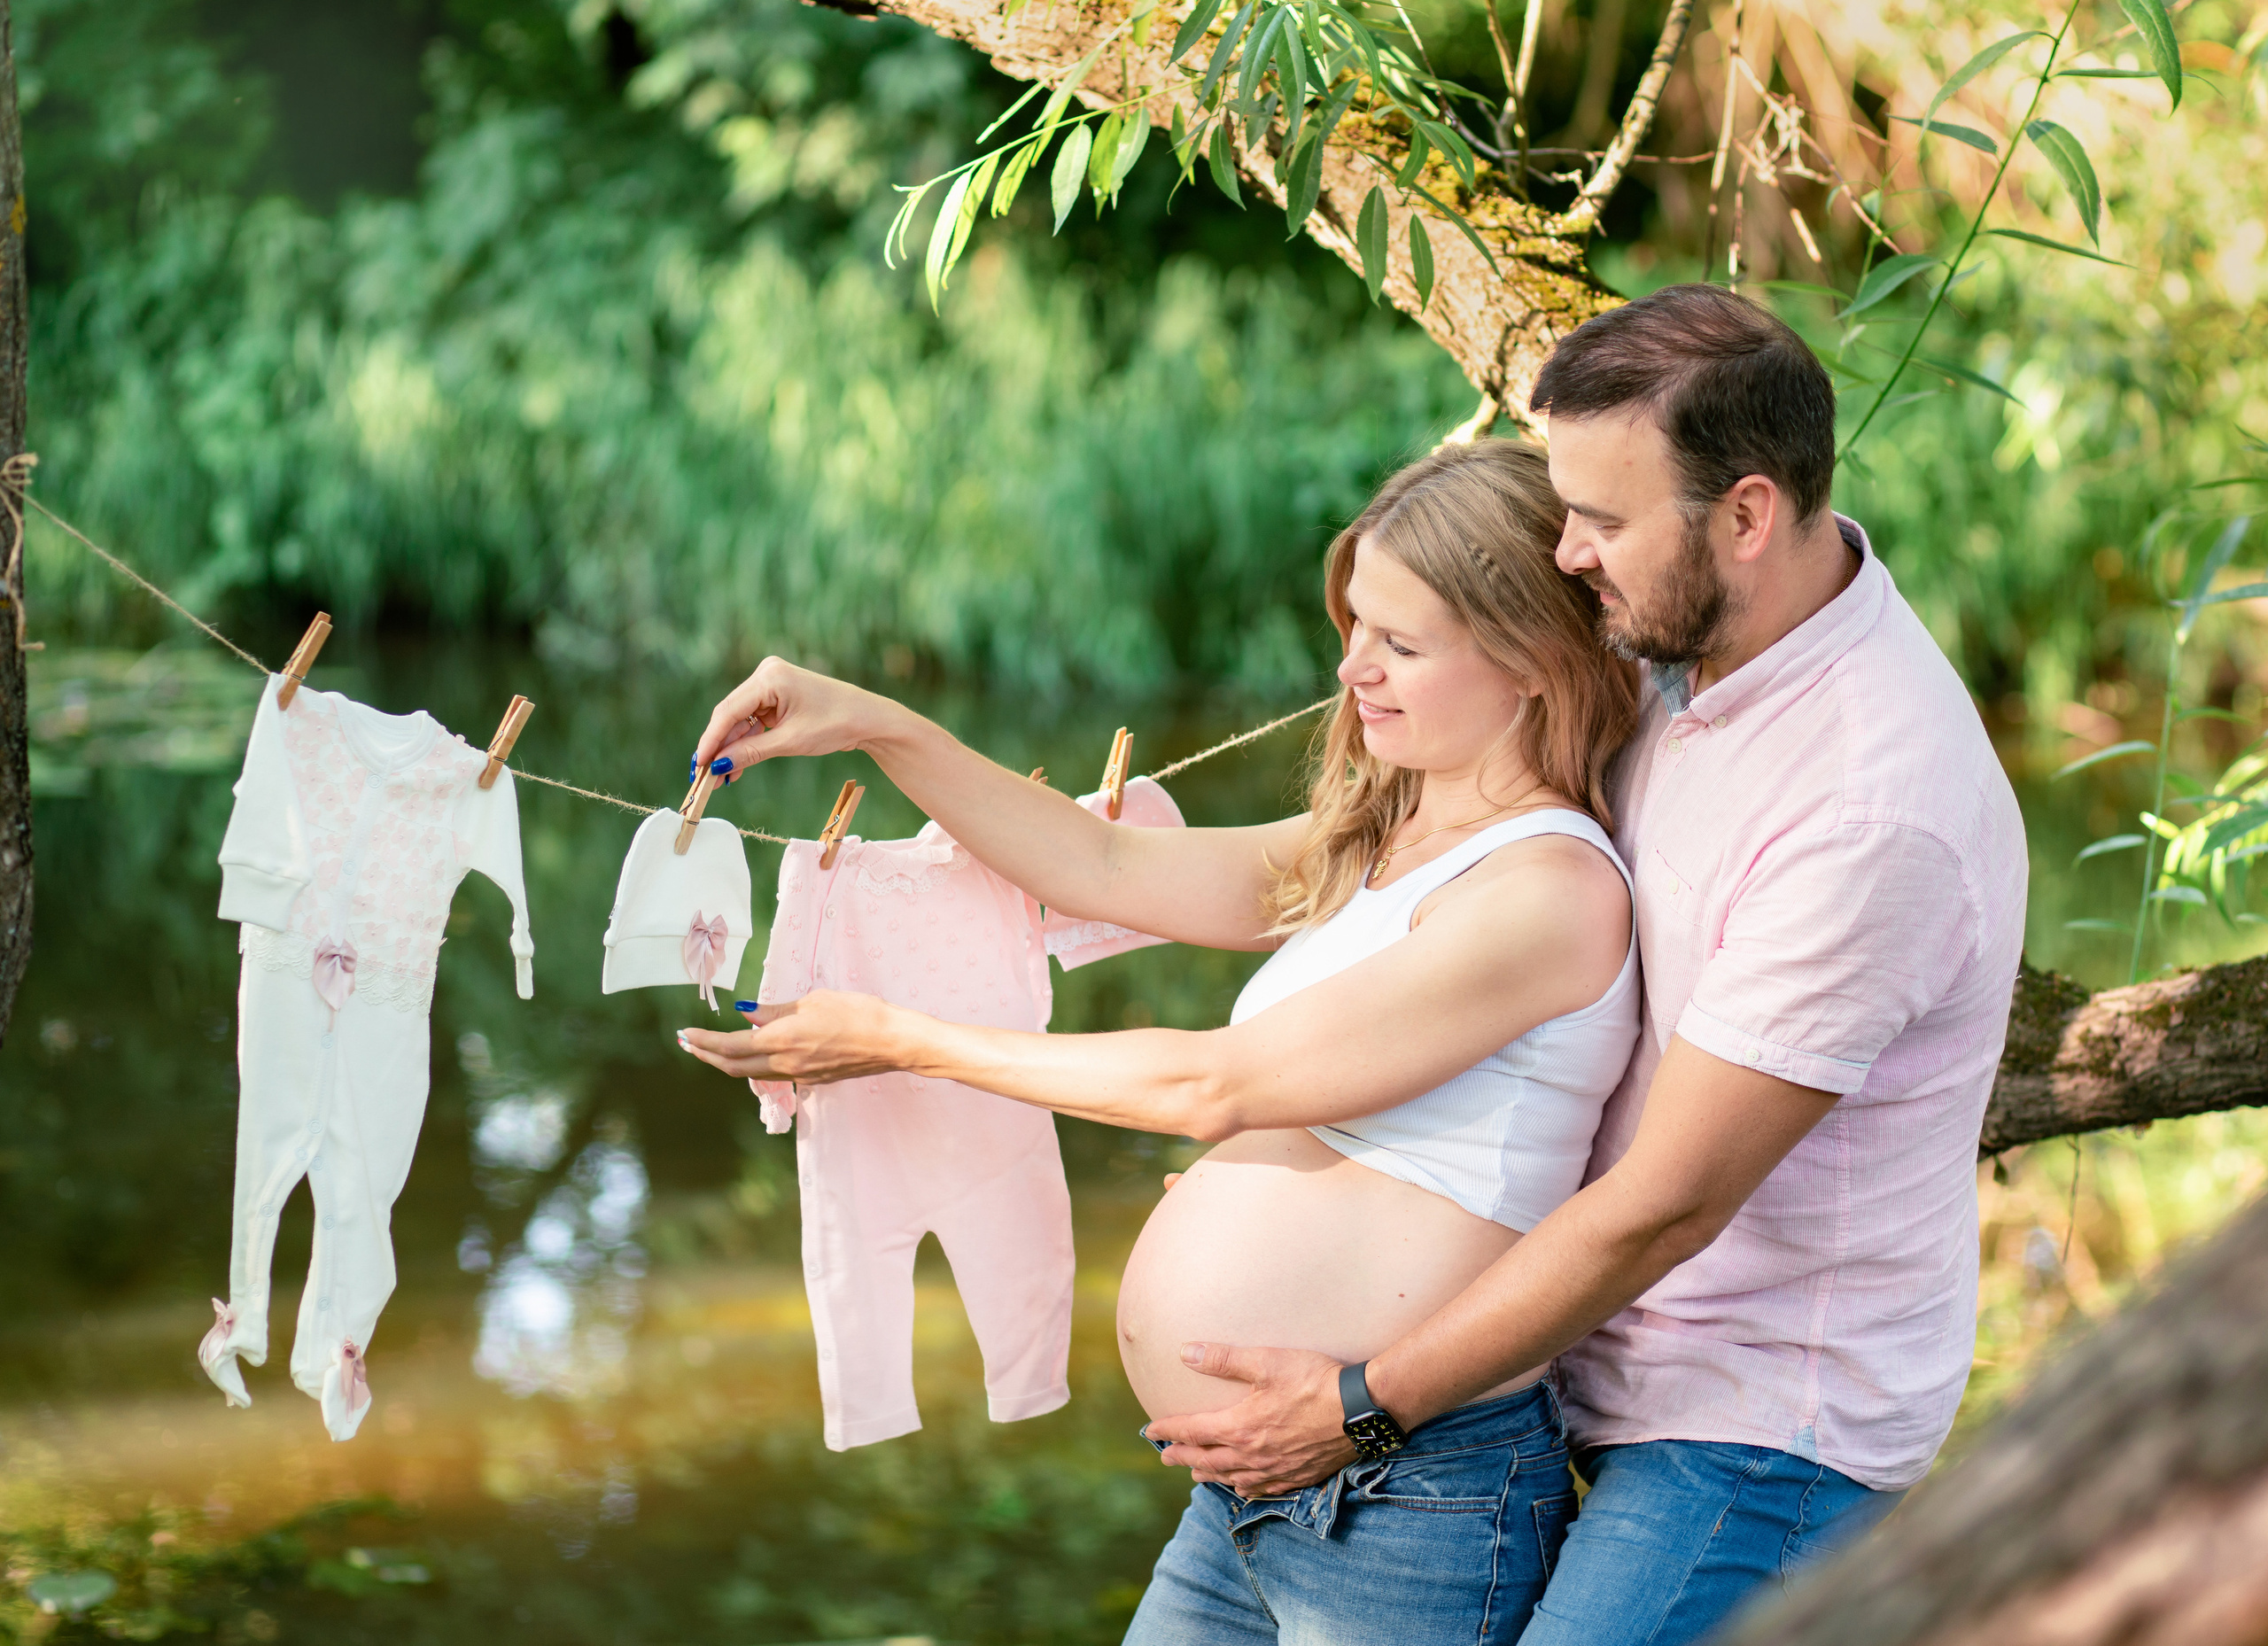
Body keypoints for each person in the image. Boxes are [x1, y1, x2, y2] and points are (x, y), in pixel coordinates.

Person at [1122, 284, 2031, 1645]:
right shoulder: (1684, 649)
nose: (1570, 553)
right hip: (1570, 1359)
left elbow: (1666, 1205)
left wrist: (1362, 1398)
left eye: (1602, 521)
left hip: (1754, 1421)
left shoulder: (1865, 805)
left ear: (1746, 514)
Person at [677, 439, 1644, 1643]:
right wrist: (874, 723)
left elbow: (1213, 1084)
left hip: (1411, 1494)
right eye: (1353, 629)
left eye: (1400, 644)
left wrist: (900, 1037)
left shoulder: (1547, 891)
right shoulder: (1384, 840)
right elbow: (1105, 861)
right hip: (1252, 1484)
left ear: (1531, 660)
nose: (1353, 671)